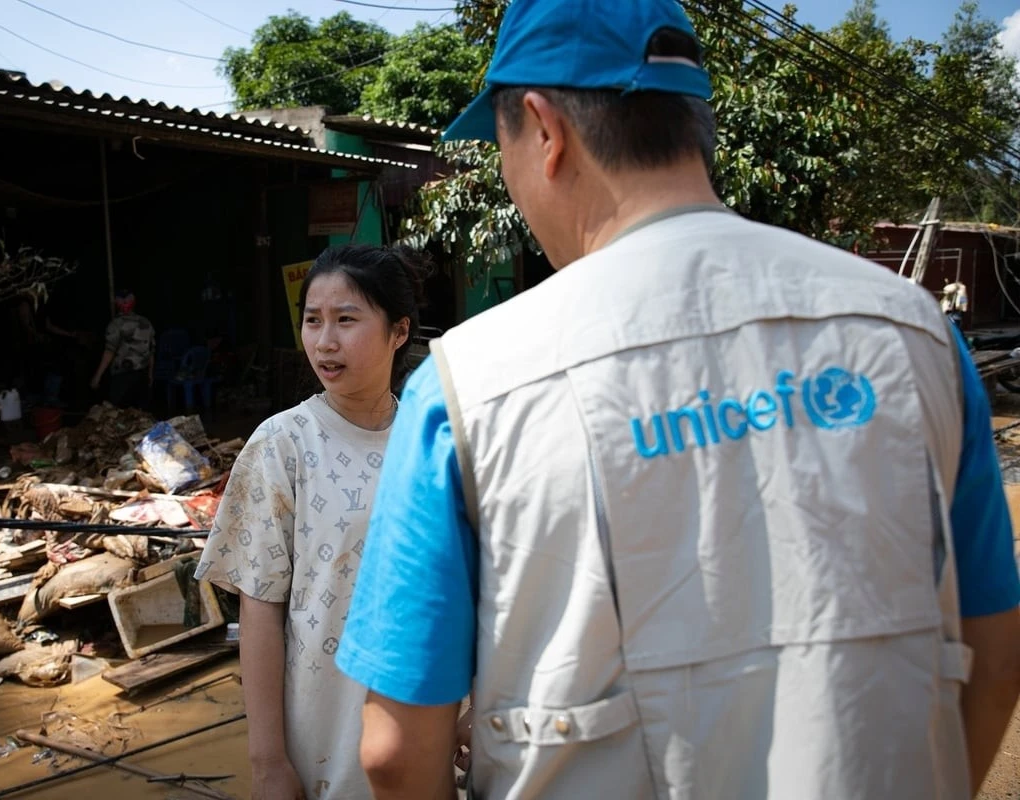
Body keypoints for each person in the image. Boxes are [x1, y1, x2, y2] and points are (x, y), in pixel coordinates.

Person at [335, 2, 1020, 799]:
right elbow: (995, 655)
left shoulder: (467, 385)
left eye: (501, 150)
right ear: (693, 123)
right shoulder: (917, 336)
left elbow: (394, 750)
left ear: (545, 130)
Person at [194, 244, 426, 800]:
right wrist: (268, 761)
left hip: (425, 718)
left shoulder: (433, 438)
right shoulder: (282, 445)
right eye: (312, 321)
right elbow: (259, 608)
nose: (324, 342)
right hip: (320, 726)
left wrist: (473, 706)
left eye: (346, 320)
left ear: (398, 331)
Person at [90, 290, 155, 409]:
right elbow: (151, 351)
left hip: (122, 376)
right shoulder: (146, 323)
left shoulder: (116, 324)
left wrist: (97, 376)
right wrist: (150, 374)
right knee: (140, 416)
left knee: (118, 415)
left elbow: (109, 351)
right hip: (142, 375)